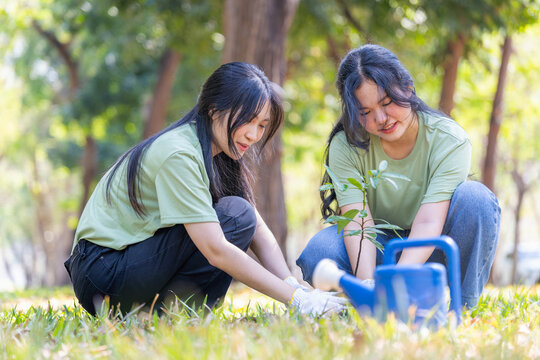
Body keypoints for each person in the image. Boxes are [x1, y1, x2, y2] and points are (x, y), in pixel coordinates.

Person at [64, 62, 345, 317]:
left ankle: (169, 315)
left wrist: (295, 287)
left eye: (262, 125)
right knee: (235, 217)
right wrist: (296, 300)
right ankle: (163, 314)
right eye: (247, 120)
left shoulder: (214, 153)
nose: (254, 134)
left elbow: (257, 226)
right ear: (213, 109)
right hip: (102, 273)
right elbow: (216, 249)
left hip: (119, 268)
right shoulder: (180, 154)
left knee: (240, 215)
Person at [296, 45, 500, 308]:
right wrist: (370, 287)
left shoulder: (450, 139)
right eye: (365, 112)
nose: (381, 118)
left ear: (407, 87)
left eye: (387, 102)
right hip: (380, 248)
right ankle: (359, 303)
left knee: (477, 199)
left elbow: (428, 222)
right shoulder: (345, 145)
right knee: (320, 251)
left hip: (434, 245)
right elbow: (359, 225)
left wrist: (394, 282)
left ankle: (462, 306)